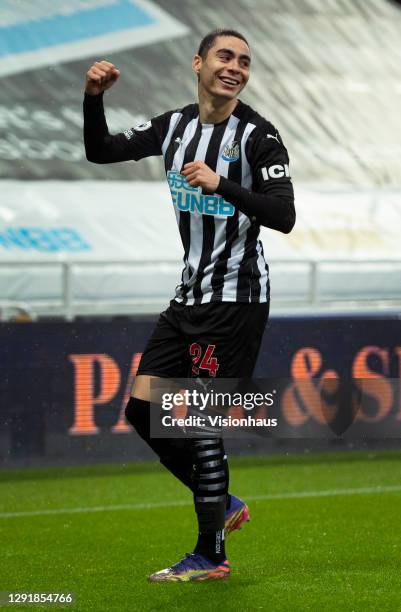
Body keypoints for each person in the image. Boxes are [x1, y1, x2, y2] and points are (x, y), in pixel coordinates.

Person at [83, 28, 295, 582]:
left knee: (200, 420)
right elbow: (100, 151)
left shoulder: (258, 136)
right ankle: (222, 501)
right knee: (141, 409)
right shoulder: (173, 126)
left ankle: (210, 555)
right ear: (198, 62)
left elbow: (284, 215)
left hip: (236, 299)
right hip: (188, 296)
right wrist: (93, 98)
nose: (235, 67)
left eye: (245, 61)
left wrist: (222, 183)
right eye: (225, 56)